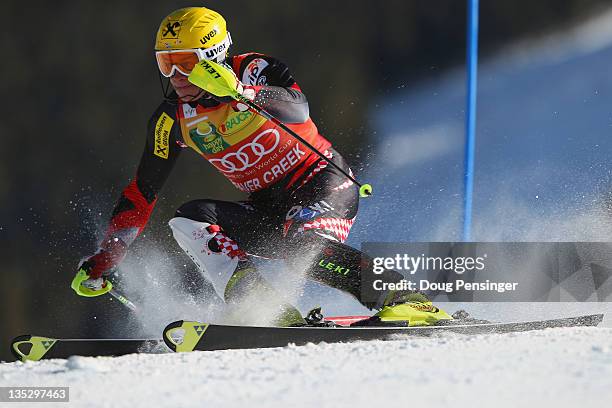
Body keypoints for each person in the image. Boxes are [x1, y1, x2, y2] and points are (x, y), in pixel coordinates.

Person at [76, 6, 450, 326]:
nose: (176, 76)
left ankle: (404, 300)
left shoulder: (254, 70)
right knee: (189, 219)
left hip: (322, 183)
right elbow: (142, 191)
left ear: (214, 56)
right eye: (166, 63)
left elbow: (297, 107)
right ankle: (264, 311)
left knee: (302, 246)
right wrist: (109, 255)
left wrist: (241, 92)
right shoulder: (171, 119)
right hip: (268, 204)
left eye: (186, 63)